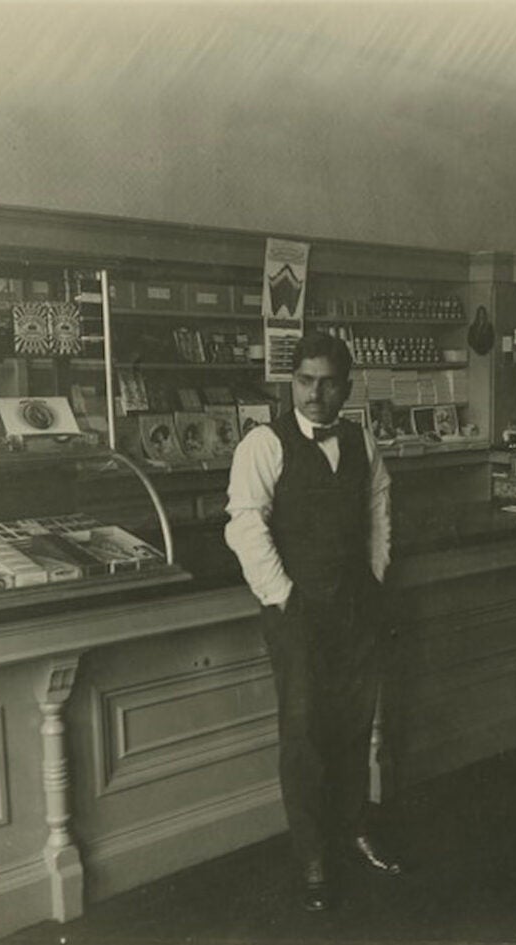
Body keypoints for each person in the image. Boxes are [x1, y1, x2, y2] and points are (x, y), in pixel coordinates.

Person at [224, 332, 399, 912]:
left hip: (355, 606)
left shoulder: (359, 439)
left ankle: (349, 831)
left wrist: (374, 575)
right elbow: (245, 524)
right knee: (303, 734)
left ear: (346, 387)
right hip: (296, 611)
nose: (315, 394)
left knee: (354, 724)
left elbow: (378, 503)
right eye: (304, 381)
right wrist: (285, 598)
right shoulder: (263, 444)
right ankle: (313, 856)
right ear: (289, 382)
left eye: (327, 382)